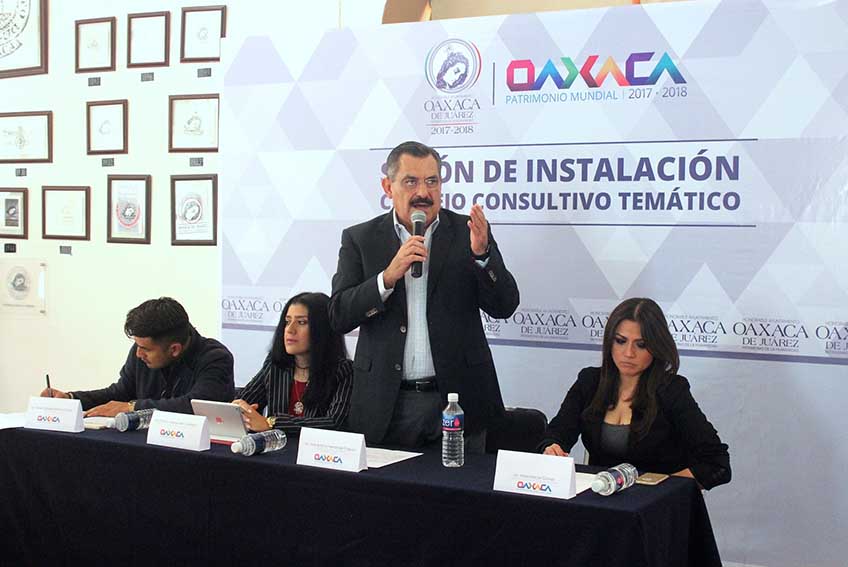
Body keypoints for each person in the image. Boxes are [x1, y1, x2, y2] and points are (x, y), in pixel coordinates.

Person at [329, 140, 520, 450]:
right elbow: (338, 315)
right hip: (386, 404)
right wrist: (386, 278)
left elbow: (505, 305)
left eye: (432, 181)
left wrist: (483, 255)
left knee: (462, 482)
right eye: (411, 181)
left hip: (459, 401)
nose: (423, 192)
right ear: (388, 187)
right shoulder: (360, 239)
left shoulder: (468, 232)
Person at [539, 298, 731, 490]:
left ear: (656, 347)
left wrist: (663, 490)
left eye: (641, 345)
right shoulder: (589, 381)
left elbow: (716, 463)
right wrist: (551, 448)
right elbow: (555, 435)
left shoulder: (671, 390)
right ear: (609, 342)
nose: (629, 353)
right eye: (620, 341)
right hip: (600, 497)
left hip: (656, 503)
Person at [40, 297, 234, 416]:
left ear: (174, 349)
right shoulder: (140, 352)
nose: (138, 354)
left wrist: (133, 408)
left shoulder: (216, 358)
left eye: (145, 349)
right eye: (137, 345)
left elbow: (196, 406)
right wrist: (71, 398)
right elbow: (120, 393)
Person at [233, 292, 353, 435]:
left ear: (322, 329)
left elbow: (334, 423)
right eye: (287, 321)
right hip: (275, 448)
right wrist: (240, 409)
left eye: (301, 322)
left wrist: (271, 423)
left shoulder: (344, 370)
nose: (290, 330)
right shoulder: (275, 365)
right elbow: (246, 401)